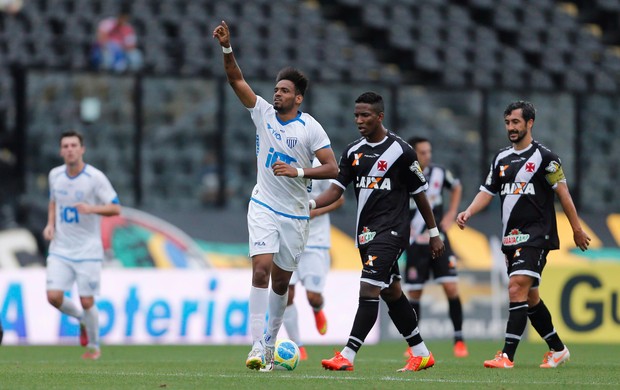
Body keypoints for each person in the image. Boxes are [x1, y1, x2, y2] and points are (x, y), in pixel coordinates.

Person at [212, 21, 339, 371]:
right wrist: (227, 48)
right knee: (261, 270)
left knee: (282, 283)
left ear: (298, 97)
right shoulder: (263, 113)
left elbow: (332, 169)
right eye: (276, 89)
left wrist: (298, 172)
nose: (277, 94)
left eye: (284, 90)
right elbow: (236, 79)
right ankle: (256, 345)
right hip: (264, 204)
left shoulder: (310, 127)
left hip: (297, 215)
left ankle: (269, 345)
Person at [315, 92, 444, 372]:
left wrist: (434, 232)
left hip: (393, 231)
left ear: (380, 116)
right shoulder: (352, 152)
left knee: (369, 287)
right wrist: (310, 205)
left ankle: (348, 355)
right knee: (392, 291)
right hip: (365, 234)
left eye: (365, 115)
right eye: (356, 115)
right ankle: (421, 353)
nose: (359, 120)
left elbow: (420, 194)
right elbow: (336, 191)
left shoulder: (402, 151)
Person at [456, 100, 591, 369]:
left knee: (516, 286)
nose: (511, 127)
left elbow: (563, 194)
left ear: (530, 123)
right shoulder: (501, 158)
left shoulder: (546, 158)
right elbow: (487, 191)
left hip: (536, 234)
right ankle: (557, 349)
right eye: (507, 122)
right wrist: (468, 212)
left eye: (516, 122)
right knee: (530, 298)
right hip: (510, 238)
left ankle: (506, 355)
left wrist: (577, 229)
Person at [43, 130, 121, 360]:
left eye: (73, 145)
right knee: (53, 297)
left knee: (87, 300)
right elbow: (53, 202)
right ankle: (81, 319)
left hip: (88, 249)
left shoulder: (95, 178)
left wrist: (92, 209)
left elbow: (116, 208)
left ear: (82, 149)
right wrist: (50, 224)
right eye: (65, 146)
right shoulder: (55, 175)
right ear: (61, 151)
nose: (69, 149)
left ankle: (94, 348)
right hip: (60, 248)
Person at [404, 136, 468, 358]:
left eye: (429, 151)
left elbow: (457, 186)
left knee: (451, 287)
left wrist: (451, 213)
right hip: (414, 241)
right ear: (413, 153)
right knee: (415, 292)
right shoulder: (405, 172)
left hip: (438, 239)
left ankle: (459, 340)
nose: (427, 156)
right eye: (422, 152)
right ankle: (413, 343)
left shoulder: (440, 173)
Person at [283, 158, 345, 360]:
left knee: (313, 296)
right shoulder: (285, 160)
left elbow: (340, 198)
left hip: (316, 242)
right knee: (285, 293)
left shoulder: (321, 164)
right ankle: (297, 345)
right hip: (289, 239)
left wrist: (316, 211)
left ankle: (317, 309)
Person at [91, 2, 143, 72]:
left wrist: (121, 48)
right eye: (121, 17)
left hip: (121, 51)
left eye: (125, 17)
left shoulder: (128, 28)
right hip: (105, 49)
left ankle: (133, 76)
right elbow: (101, 38)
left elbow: (131, 45)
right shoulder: (107, 23)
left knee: (135, 55)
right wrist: (110, 47)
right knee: (107, 57)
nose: (123, 19)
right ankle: (105, 74)